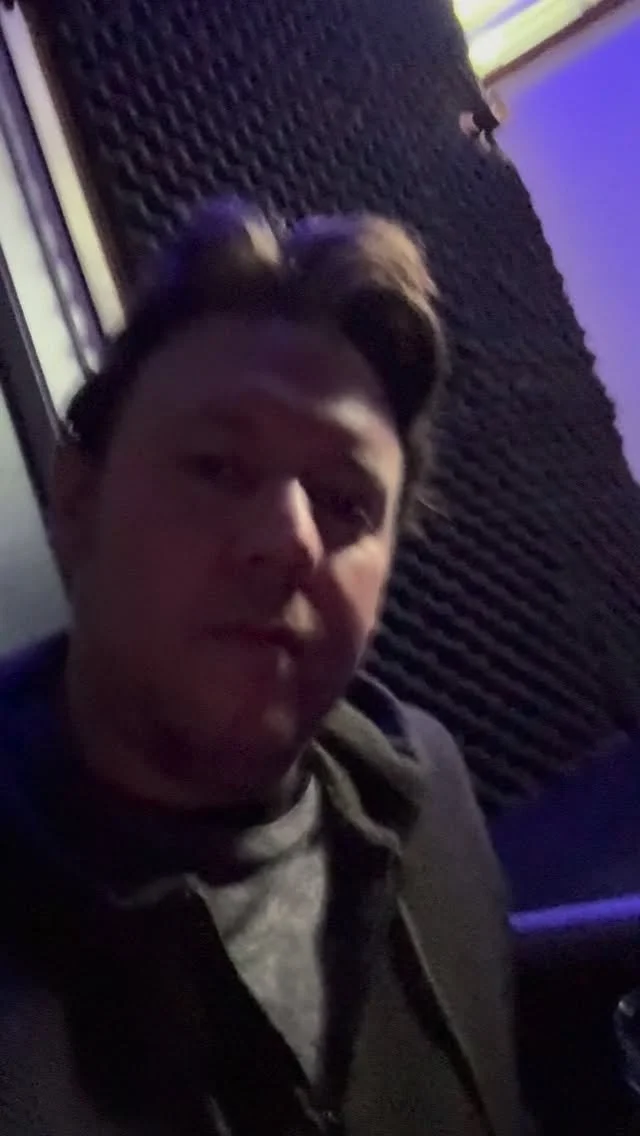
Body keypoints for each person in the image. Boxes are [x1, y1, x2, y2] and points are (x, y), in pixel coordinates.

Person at [0, 198, 526, 1135]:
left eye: (346, 504)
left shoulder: (431, 787)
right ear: (78, 502)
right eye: (216, 467)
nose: (290, 540)